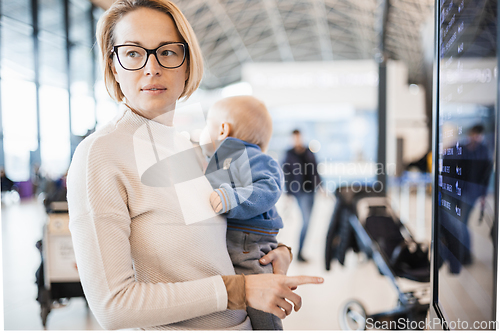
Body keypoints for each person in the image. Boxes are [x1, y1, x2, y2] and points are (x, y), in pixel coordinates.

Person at [66, 0, 323, 330]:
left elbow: (228, 238)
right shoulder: (99, 155)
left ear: (187, 64)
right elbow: (113, 306)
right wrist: (241, 291)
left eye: (168, 52)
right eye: (132, 53)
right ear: (113, 66)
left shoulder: (197, 150)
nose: (151, 67)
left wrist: (275, 253)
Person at [201, 96, 285, 330]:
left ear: (223, 129)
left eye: (207, 123)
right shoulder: (218, 159)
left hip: (251, 242)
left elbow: (268, 189)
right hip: (236, 237)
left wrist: (231, 198)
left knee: (260, 297)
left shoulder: (254, 158)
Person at [282, 129, 321, 262]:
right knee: (306, 221)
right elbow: (286, 175)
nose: (297, 140)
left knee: (309, 222)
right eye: (295, 138)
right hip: (300, 192)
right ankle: (299, 253)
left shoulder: (309, 152)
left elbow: (315, 170)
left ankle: (301, 251)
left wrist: (321, 186)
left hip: (311, 190)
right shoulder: (289, 155)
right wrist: (288, 193)